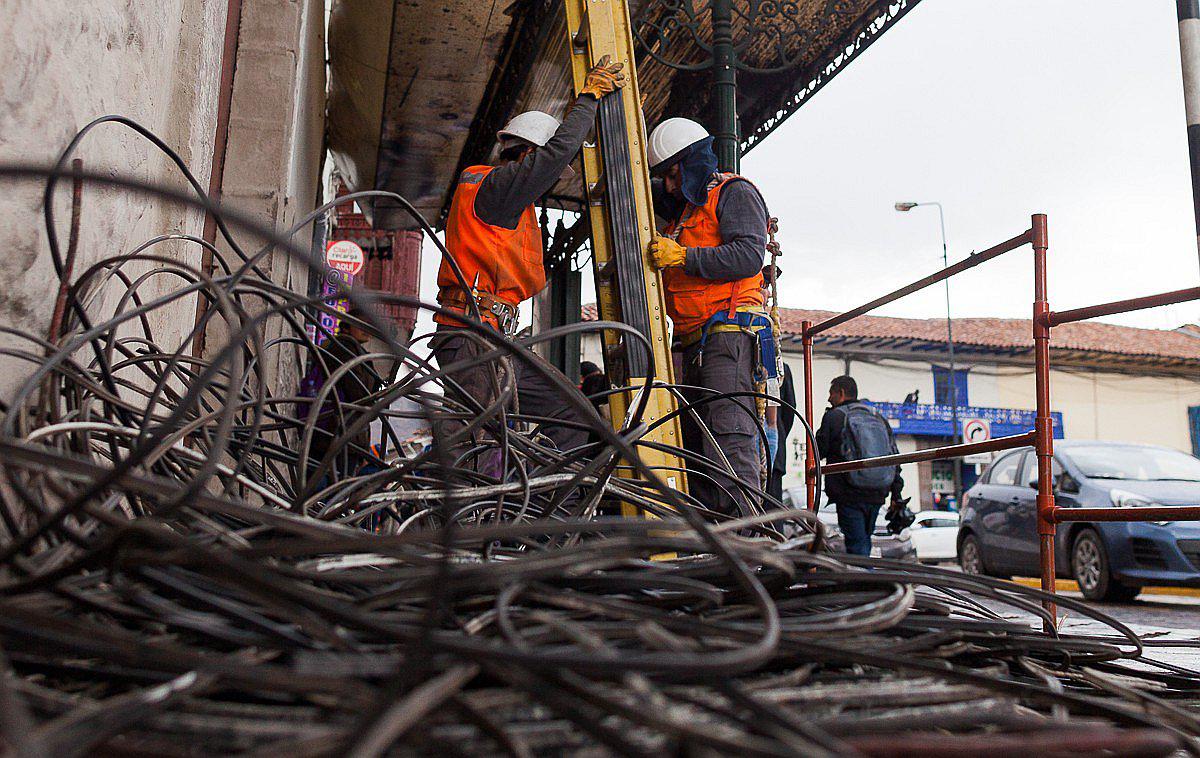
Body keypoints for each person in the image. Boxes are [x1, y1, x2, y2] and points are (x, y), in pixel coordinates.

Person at [429, 57, 626, 463]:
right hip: (471, 339)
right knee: (477, 447)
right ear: (526, 156)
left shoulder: (515, 207)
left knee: (575, 415)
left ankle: (545, 514)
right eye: (546, 171)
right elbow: (553, 157)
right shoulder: (496, 188)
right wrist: (587, 99)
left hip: (495, 338)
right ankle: (458, 522)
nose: (550, 182)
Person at [645, 117, 771, 518]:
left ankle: (746, 545)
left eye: (671, 174)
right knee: (700, 446)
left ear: (690, 162)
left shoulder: (734, 194)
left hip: (729, 337)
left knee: (729, 439)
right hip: (698, 343)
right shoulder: (685, 213)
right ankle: (713, 547)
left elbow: (749, 256)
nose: (668, 185)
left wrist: (683, 256)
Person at [815, 375, 906, 556]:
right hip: (877, 492)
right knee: (864, 541)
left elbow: (818, 451)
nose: (828, 399)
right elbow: (894, 457)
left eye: (831, 394)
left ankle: (863, 582)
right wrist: (897, 494)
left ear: (841, 393)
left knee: (857, 546)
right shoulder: (878, 418)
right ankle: (864, 579)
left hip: (848, 493)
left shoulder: (834, 417)